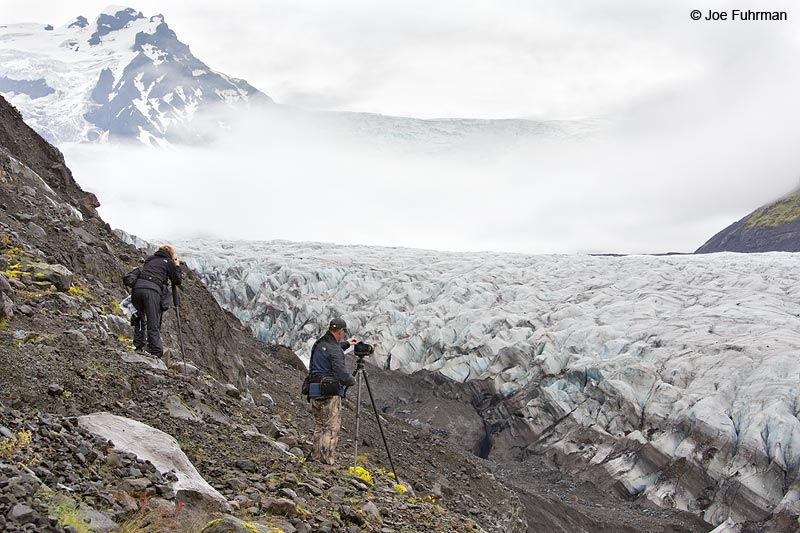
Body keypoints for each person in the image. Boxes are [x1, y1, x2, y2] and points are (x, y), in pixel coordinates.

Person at [307, 317, 357, 464]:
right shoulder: (334, 349)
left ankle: (316, 457)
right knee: (330, 428)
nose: (344, 334)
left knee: (320, 426)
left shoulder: (319, 344)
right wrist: (351, 380)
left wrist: (346, 345)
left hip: (315, 391)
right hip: (329, 394)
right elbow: (341, 373)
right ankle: (325, 461)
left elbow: (330, 351)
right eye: (343, 333)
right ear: (341, 331)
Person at [131, 245, 181, 359]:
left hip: (137, 289)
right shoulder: (168, 262)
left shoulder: (150, 259)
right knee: (153, 322)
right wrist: (176, 266)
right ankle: (156, 352)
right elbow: (177, 280)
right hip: (151, 291)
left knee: (139, 319)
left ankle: (139, 347)